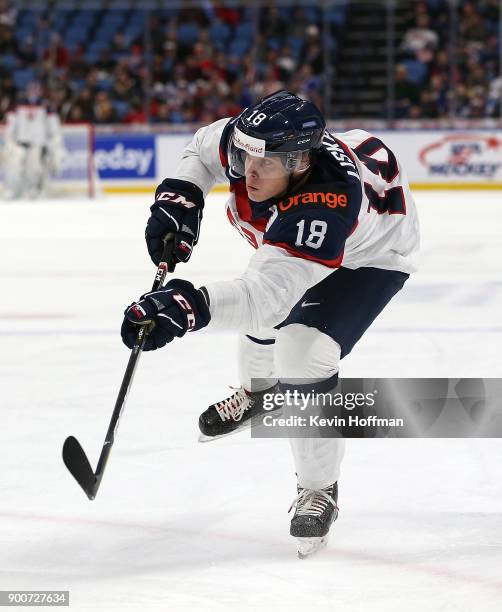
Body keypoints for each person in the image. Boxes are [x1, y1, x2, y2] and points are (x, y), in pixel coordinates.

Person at [121, 91, 420, 557]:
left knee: (302, 352)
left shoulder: (324, 205)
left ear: (300, 162)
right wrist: (181, 196)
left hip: (371, 254)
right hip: (305, 229)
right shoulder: (256, 147)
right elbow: (203, 147)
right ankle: (261, 395)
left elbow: (263, 301)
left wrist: (187, 306)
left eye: (263, 165)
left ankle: (320, 489)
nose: (246, 174)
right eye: (241, 158)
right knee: (265, 303)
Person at [3, 82, 64, 199]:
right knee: (14, 167)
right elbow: (11, 125)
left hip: (38, 144)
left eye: (36, 90)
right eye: (31, 89)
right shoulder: (17, 105)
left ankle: (34, 190)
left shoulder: (46, 106)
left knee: (35, 169)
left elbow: (54, 127)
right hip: (20, 143)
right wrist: (9, 141)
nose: (33, 92)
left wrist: (53, 142)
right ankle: (13, 191)